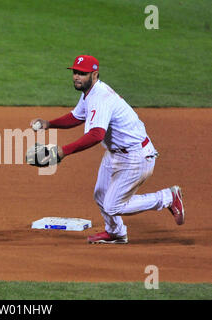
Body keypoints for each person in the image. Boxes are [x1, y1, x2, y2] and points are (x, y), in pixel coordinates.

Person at [30, 55, 185, 244]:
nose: (77, 77)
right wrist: (49, 124)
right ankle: (116, 233)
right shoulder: (90, 93)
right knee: (101, 194)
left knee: (113, 206)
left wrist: (64, 151)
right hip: (116, 153)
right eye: (75, 72)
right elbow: (77, 117)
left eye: (83, 74)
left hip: (136, 156)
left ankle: (167, 197)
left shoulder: (100, 98)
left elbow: (96, 135)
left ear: (94, 74)